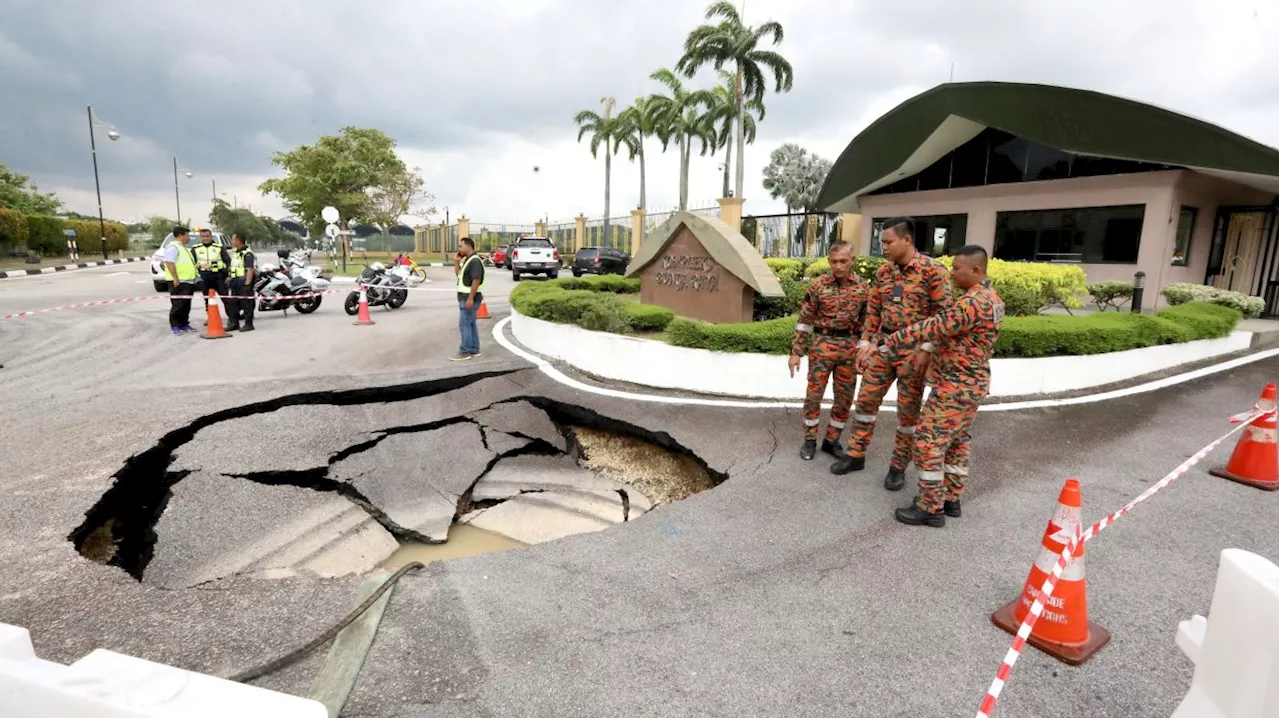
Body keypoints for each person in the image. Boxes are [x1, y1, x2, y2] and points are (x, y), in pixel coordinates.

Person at [876, 245, 1003, 526]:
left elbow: (935, 326)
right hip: (972, 382)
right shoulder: (990, 298)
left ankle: (929, 507)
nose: (952, 273)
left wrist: (892, 339)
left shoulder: (974, 303)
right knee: (957, 441)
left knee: (927, 442)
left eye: (957, 268)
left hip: (957, 385)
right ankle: (951, 498)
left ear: (976, 270)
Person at [830, 217, 953, 490]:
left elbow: (943, 315)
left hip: (914, 352)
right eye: (881, 241)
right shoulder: (884, 273)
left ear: (906, 240)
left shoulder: (933, 271)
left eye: (888, 242)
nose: (882, 246)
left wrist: (927, 349)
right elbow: (875, 310)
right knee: (865, 402)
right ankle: (855, 454)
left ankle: (898, 466)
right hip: (884, 347)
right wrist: (865, 343)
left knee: (907, 413)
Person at [787, 241, 868, 461]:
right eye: (834, 262)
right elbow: (805, 321)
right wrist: (796, 351)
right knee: (813, 396)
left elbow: (867, 323)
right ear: (828, 261)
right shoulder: (818, 285)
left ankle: (832, 441)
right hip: (822, 345)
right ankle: (810, 440)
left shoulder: (863, 288)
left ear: (852, 260)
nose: (838, 266)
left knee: (844, 399)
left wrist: (863, 350)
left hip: (849, 349)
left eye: (843, 261)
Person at [451, 237, 485, 361]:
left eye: (461, 246)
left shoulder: (475, 261)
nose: (459, 248)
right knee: (470, 324)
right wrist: (456, 262)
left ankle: (465, 351)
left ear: (469, 247)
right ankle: (474, 349)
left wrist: (470, 298)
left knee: (464, 324)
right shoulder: (468, 260)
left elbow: (476, 279)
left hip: (469, 299)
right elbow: (459, 275)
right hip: (466, 298)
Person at [162, 226, 198, 336]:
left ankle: (184, 324)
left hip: (187, 281)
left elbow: (186, 264)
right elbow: (169, 263)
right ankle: (175, 326)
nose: (188, 238)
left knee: (186, 305)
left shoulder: (182, 247)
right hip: (179, 281)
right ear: (181, 235)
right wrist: (175, 278)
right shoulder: (173, 247)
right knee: (178, 305)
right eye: (187, 235)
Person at [191, 228, 230, 316]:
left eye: (207, 236)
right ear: (200, 237)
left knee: (225, 298)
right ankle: (211, 318)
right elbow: (192, 263)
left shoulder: (219, 247)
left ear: (211, 236)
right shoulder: (195, 248)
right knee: (207, 299)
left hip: (218, 276)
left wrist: (225, 273)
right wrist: (199, 266)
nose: (205, 238)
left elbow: (227, 262)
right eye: (203, 236)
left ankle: (232, 318)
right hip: (204, 276)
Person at [226, 232, 256, 332]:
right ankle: (235, 323)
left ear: (238, 240)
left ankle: (248, 324)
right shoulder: (235, 253)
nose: (232, 241)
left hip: (243, 281)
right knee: (233, 303)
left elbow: (250, 269)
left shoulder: (247, 253)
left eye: (233, 239)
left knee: (246, 303)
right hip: (235, 281)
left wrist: (247, 284)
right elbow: (234, 267)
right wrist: (229, 277)